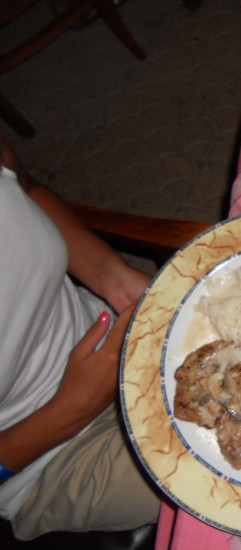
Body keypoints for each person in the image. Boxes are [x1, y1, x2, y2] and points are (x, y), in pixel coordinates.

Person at [0, 134, 160, 540]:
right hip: (52, 459)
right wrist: (70, 409)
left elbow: (25, 188)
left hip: (104, 328)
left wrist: (115, 280)